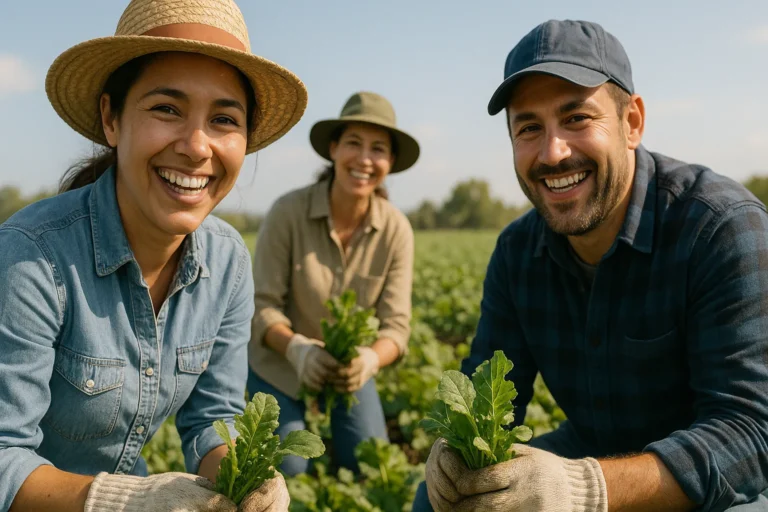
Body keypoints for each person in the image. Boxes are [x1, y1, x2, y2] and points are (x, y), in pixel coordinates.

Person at [414, 19, 768, 512]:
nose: (553, 152)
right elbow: (486, 399)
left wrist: (588, 488)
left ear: (632, 122)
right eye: (529, 128)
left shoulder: (719, 228)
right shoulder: (517, 253)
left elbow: (752, 435)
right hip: (590, 451)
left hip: (718, 483)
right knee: (440, 499)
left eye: (577, 118)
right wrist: (456, 449)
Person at [0, 0, 308, 510]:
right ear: (111, 119)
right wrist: (121, 501)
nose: (195, 146)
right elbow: (4, 455)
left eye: (224, 119)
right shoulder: (32, 258)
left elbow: (214, 414)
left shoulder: (228, 263)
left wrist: (243, 476)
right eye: (167, 108)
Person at [247, 91, 418, 475]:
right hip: (282, 364)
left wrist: (370, 358)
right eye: (353, 143)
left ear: (389, 162)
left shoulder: (395, 230)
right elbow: (261, 307)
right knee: (288, 467)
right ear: (333, 149)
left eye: (378, 149)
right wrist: (298, 350)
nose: (364, 159)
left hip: (348, 370)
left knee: (370, 464)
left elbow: (396, 326)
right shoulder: (287, 213)